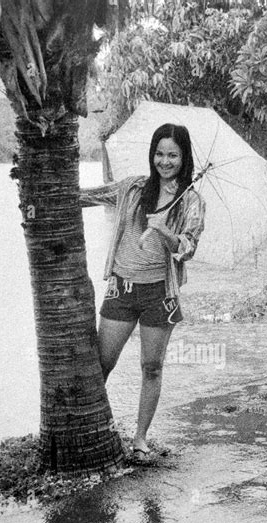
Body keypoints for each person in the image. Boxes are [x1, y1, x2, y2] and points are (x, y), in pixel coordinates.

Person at [81, 124, 205, 462]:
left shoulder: (191, 200)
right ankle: (86, 428)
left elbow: (187, 249)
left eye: (173, 155)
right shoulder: (133, 188)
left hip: (159, 295)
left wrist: (165, 231)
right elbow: (89, 196)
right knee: (102, 363)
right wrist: (47, 194)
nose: (165, 161)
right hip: (122, 288)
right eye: (160, 153)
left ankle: (139, 438)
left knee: (151, 367)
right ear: (153, 155)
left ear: (184, 158)